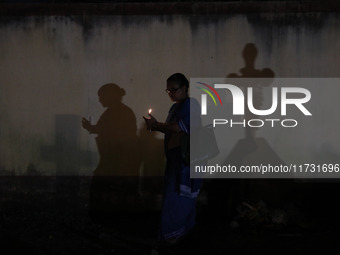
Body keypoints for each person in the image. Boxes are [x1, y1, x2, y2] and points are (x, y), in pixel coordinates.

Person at [143, 73, 202, 246]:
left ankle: (172, 236)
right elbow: (170, 130)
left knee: (177, 199)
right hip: (175, 160)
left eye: (174, 90)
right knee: (176, 197)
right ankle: (180, 235)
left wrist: (156, 124)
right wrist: (155, 126)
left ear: (184, 88)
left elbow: (178, 127)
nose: (170, 94)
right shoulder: (175, 108)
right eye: (168, 90)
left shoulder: (191, 105)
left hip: (186, 162)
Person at [82, 83, 140, 221]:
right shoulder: (117, 112)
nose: (100, 100)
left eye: (101, 96)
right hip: (116, 159)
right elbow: (105, 129)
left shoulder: (119, 113)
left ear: (111, 96)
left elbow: (112, 132)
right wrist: (91, 127)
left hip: (117, 160)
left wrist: (92, 128)